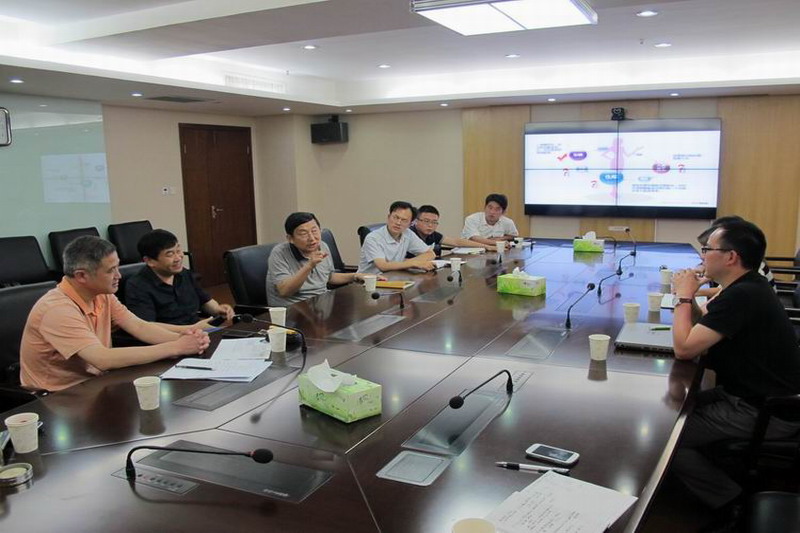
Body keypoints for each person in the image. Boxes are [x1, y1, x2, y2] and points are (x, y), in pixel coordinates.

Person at [670, 219, 800, 523]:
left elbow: (685, 349)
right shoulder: (746, 286)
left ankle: (732, 502)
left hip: (765, 410)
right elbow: (703, 328)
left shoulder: (742, 296)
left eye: (707, 249)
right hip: (751, 395)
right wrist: (693, 299)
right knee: (673, 410)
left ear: (731, 257)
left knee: (667, 441)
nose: (702, 255)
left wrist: (684, 297)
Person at [20, 236, 210, 392]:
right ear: (81, 276)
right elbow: (102, 359)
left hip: (96, 383)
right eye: (111, 270)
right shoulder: (57, 309)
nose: (119, 275)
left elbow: (138, 326)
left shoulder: (102, 294)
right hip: (57, 396)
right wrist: (176, 347)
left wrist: (187, 340)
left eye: (117, 267)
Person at [125, 229, 234, 326]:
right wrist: (191, 329)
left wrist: (218, 309)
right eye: (170, 254)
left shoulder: (184, 274)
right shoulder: (137, 286)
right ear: (149, 261)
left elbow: (204, 300)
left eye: (178, 251)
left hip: (198, 332)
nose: (178, 258)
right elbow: (148, 327)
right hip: (168, 338)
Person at [267, 212, 373, 307]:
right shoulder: (280, 253)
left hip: (320, 304)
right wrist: (309, 265)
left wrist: (355, 276)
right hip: (293, 309)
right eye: (303, 234)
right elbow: (285, 291)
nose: (312, 238)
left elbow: (328, 276)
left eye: (314, 231)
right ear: (290, 239)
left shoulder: (322, 246)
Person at [358, 201, 436, 274]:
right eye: (395, 217)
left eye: (404, 220)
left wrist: (410, 263)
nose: (398, 223)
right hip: (369, 281)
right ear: (388, 217)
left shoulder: (408, 234)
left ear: (410, 224)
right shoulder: (373, 238)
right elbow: (383, 266)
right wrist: (413, 263)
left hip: (394, 277)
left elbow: (430, 254)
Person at [409, 205, 496, 257]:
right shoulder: (409, 234)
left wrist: (487, 247)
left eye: (434, 222)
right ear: (415, 221)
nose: (430, 225)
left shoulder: (433, 234)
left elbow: (456, 242)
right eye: (426, 221)